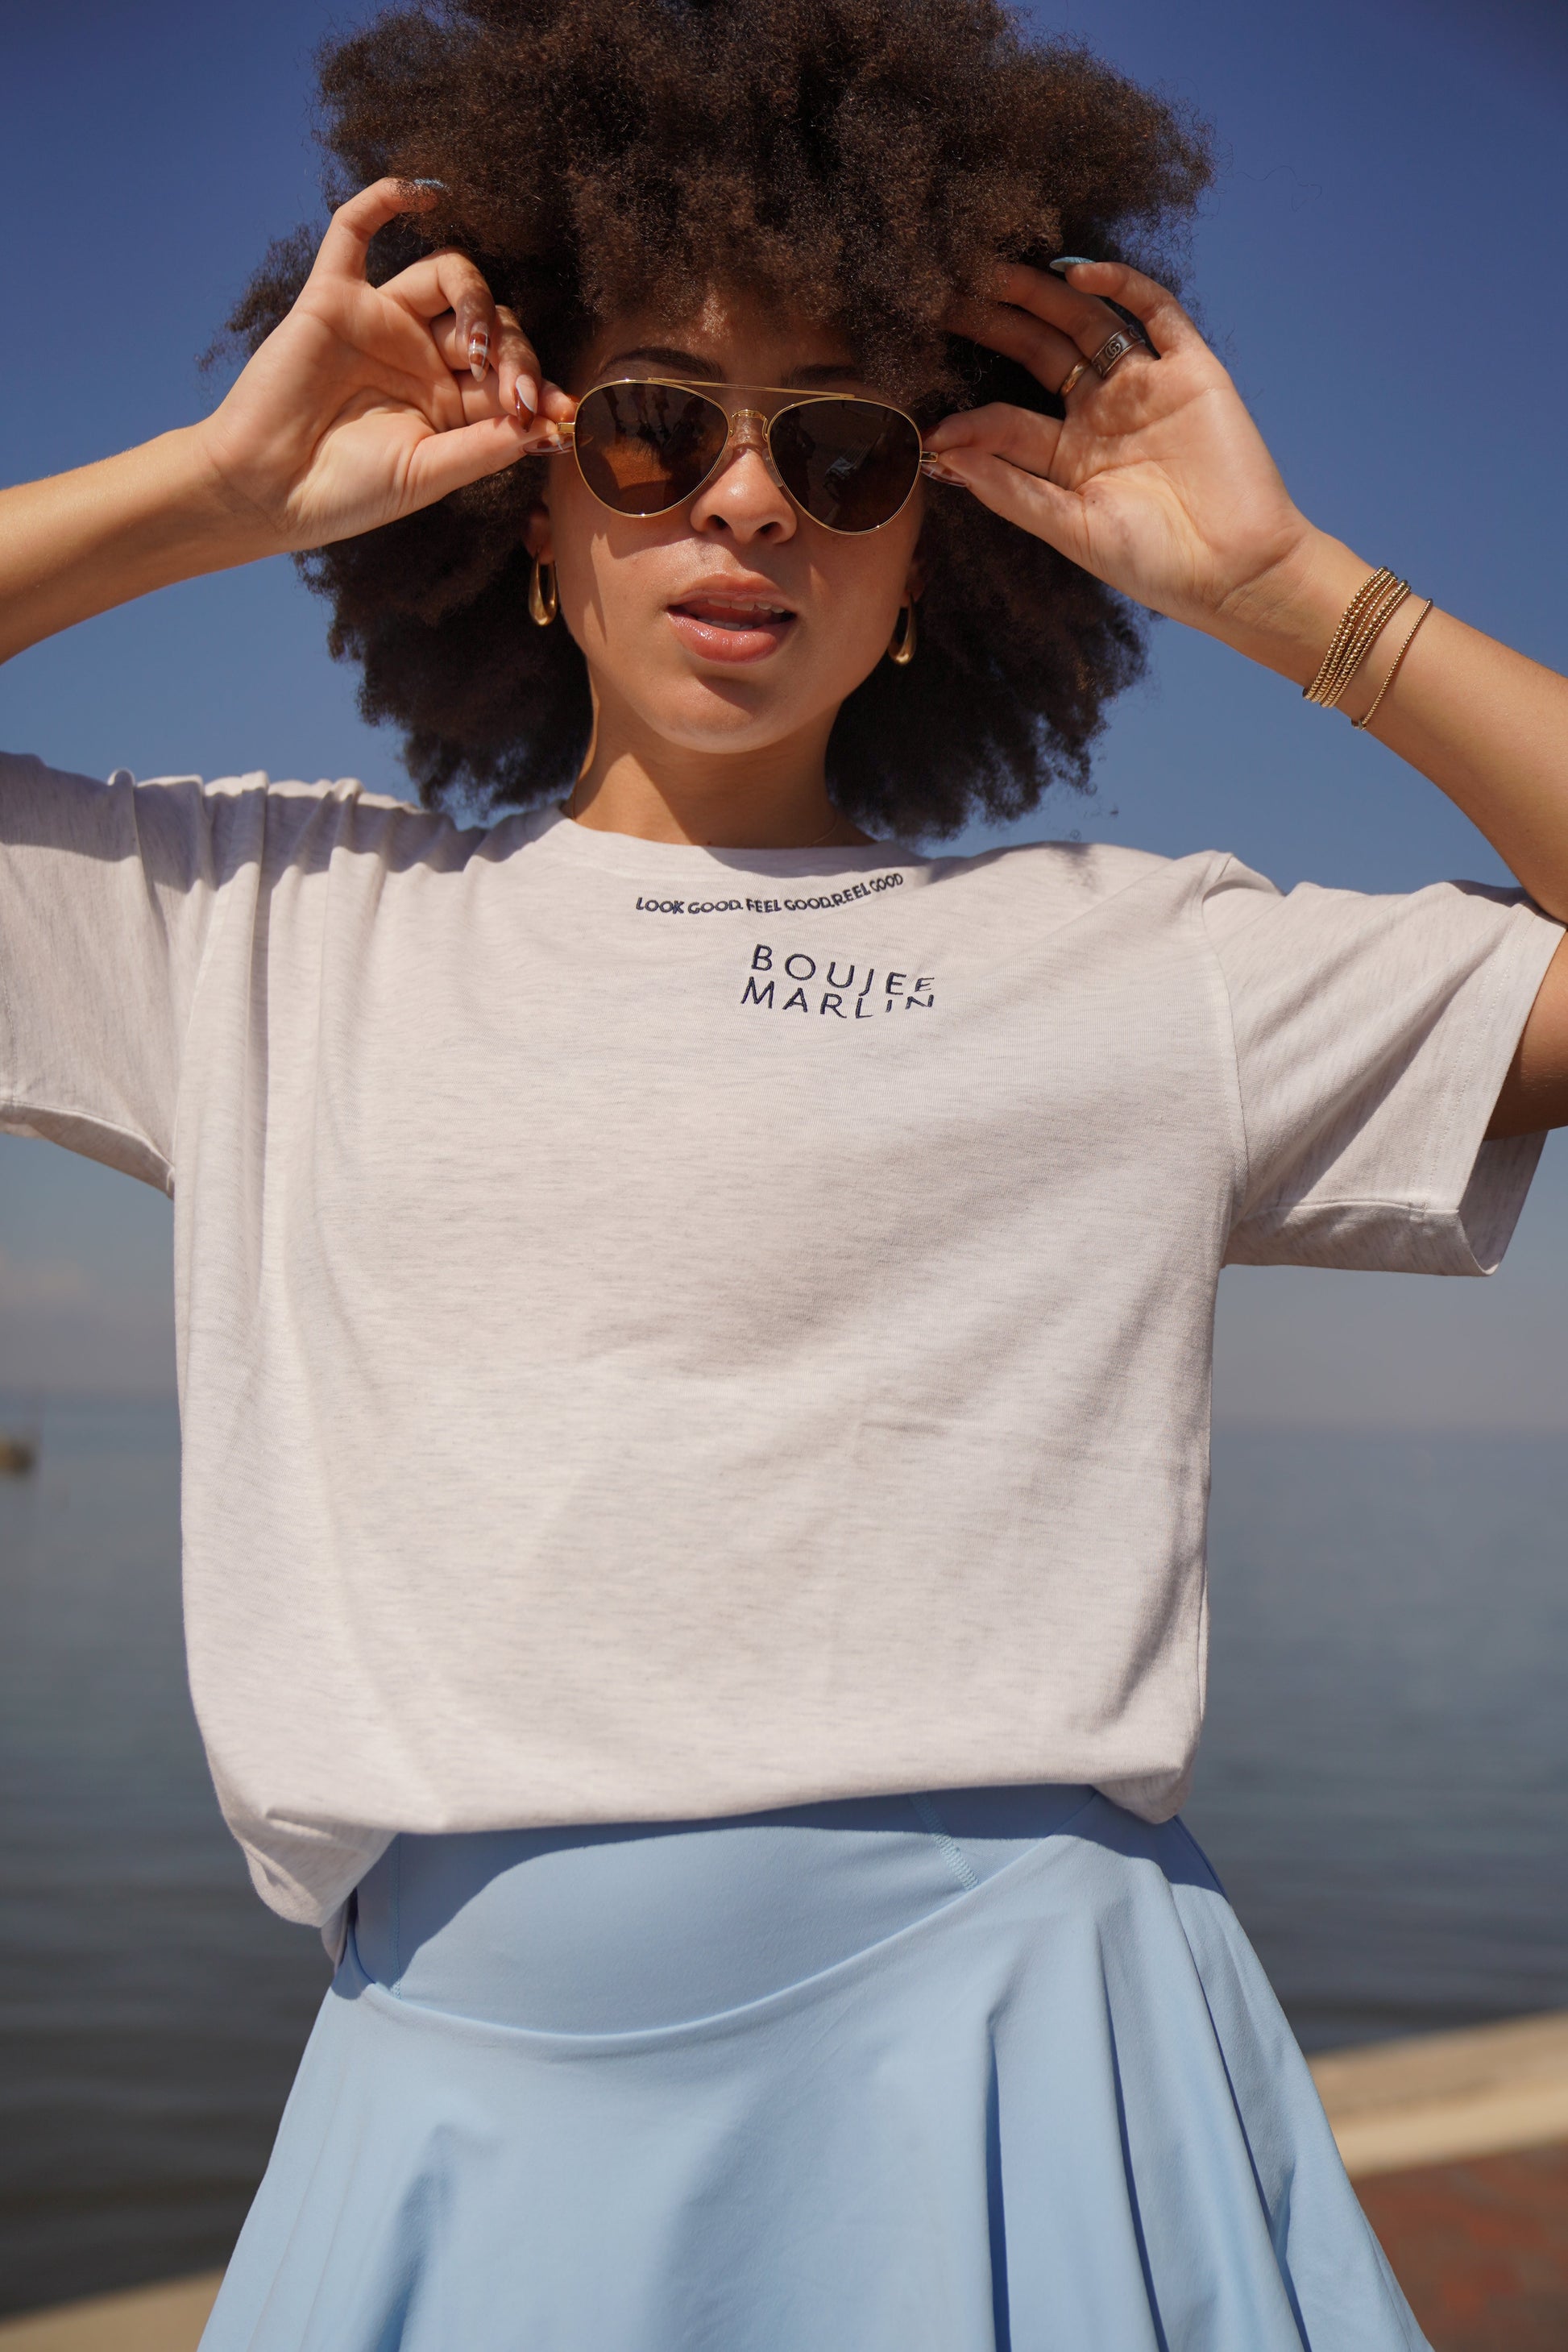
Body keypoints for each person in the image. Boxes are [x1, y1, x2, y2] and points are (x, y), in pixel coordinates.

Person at [3, 2, 1566, 2345]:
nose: (743, 503)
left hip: (1045, 2087)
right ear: (527, 509)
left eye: (841, 450)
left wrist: (1284, 590)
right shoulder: (264, 928)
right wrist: (216, 492)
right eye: (651, 426)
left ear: (926, 553)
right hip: (466, 2119)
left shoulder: (1138, 966)